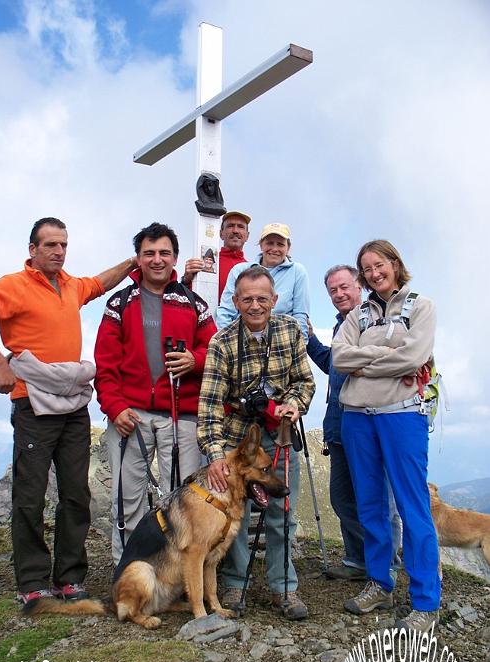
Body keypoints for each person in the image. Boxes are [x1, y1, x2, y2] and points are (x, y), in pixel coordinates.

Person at [0, 217, 137, 604]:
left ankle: (70, 578)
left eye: (63, 245)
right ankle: (32, 583)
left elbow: (99, 283)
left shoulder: (71, 285)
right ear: (33, 250)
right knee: (30, 494)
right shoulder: (12, 286)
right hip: (31, 402)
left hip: (73, 403)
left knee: (76, 492)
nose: (59, 252)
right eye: (50, 245)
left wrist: (134, 262)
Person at [332, 240, 441, 633]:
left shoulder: (421, 306)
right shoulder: (358, 313)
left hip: (402, 416)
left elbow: (414, 359)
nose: (374, 273)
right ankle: (379, 582)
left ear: (395, 264)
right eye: (367, 268)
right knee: (370, 505)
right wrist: (386, 355)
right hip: (357, 417)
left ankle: (426, 601)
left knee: (414, 507)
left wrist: (367, 358)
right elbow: (339, 358)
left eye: (380, 264)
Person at [94, 222, 217, 565]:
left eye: (164, 252)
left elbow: (215, 352)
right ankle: (128, 574)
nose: (157, 259)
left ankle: (175, 579)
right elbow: (105, 363)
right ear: (138, 258)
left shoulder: (194, 304)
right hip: (129, 418)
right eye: (149, 253)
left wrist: (195, 360)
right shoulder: (119, 303)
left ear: (175, 257)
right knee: (127, 500)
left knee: (183, 504)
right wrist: (115, 407)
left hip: (182, 418)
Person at [197, 266, 315, 620]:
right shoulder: (221, 343)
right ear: (235, 301)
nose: (255, 305)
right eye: (247, 299)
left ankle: (283, 587)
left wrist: (293, 404)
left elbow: (304, 381)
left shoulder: (291, 331)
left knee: (282, 508)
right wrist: (216, 456)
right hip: (237, 437)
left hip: (278, 432)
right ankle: (235, 582)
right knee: (235, 511)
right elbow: (208, 406)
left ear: (274, 300)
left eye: (262, 298)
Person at [307, 265, 401, 581]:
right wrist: (309, 340)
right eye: (333, 290)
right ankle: (360, 561)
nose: (339, 294)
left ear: (358, 285)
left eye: (344, 287)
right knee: (343, 497)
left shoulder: (372, 320)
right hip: (338, 423)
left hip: (369, 421)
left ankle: (386, 565)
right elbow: (334, 367)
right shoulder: (339, 326)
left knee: (376, 497)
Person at [216, 223, 310, 341]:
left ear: (288, 247)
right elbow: (226, 311)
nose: (274, 249)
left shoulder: (298, 271)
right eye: (269, 243)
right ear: (261, 245)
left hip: (282, 344)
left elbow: (300, 315)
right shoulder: (239, 270)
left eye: (280, 244)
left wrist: (300, 346)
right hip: (242, 342)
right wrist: (226, 342)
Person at [182, 210, 250, 301]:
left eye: (241, 227)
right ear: (221, 234)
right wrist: (186, 280)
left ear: (247, 236)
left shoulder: (252, 269)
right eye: (230, 226)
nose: (235, 231)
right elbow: (186, 297)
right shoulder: (204, 263)